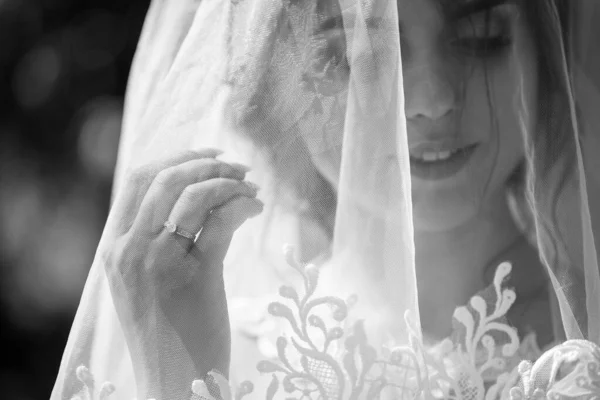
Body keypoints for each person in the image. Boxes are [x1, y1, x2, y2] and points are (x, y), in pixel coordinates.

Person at [52, 0, 600, 399]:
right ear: (274, 77)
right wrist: (176, 380)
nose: (432, 100)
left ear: (545, 54)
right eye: (360, 51)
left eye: (482, 35)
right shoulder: (217, 351)